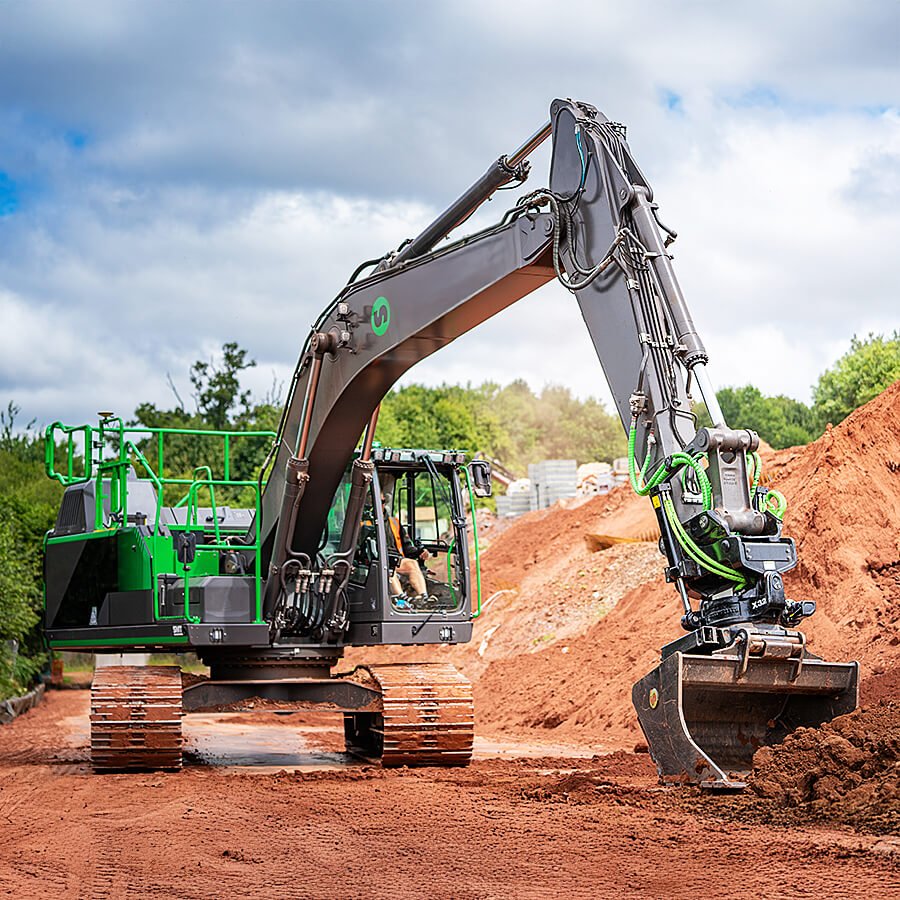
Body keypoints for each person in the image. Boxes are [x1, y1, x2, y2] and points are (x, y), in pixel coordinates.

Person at [382, 495, 432, 607]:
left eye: (383, 501)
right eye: (378, 501)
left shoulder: (394, 522)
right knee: (388, 569)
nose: (382, 504)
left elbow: (407, 547)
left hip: (396, 559)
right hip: (378, 561)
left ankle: (424, 598)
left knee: (412, 563)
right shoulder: (363, 523)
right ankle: (402, 599)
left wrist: (420, 552)